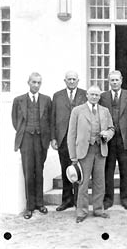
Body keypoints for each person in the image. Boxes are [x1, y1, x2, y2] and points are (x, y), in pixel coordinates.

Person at [67, 85, 114, 223]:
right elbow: (72, 134)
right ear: (87, 95)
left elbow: (112, 128)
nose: (94, 97)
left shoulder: (105, 111)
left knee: (100, 182)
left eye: (97, 95)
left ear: (100, 97)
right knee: (83, 182)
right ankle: (81, 211)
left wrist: (107, 134)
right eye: (92, 94)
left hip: (100, 150)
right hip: (84, 151)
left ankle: (98, 209)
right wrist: (73, 156)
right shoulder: (77, 111)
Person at [11, 72, 51, 219]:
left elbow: (49, 120)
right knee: (28, 172)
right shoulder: (19, 100)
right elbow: (15, 120)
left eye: (38, 82)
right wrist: (25, 131)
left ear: (41, 84)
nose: (36, 85)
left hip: (41, 140)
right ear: (28, 82)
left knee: (39, 171)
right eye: (33, 82)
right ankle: (30, 206)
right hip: (26, 139)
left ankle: (40, 203)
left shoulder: (46, 100)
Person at [99, 70, 127, 210]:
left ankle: (125, 199)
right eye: (112, 80)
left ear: (121, 80)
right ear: (109, 81)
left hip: (123, 139)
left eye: (117, 80)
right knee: (108, 171)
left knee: (124, 170)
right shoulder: (103, 97)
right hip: (108, 140)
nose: (114, 82)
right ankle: (108, 199)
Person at [51, 71, 87, 211]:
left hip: (80, 138)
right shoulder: (57, 96)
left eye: (74, 79)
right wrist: (53, 138)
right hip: (63, 138)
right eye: (69, 79)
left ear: (78, 81)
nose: (71, 81)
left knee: (79, 169)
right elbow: (52, 118)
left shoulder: (85, 94)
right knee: (66, 168)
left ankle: (78, 199)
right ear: (64, 81)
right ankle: (67, 200)